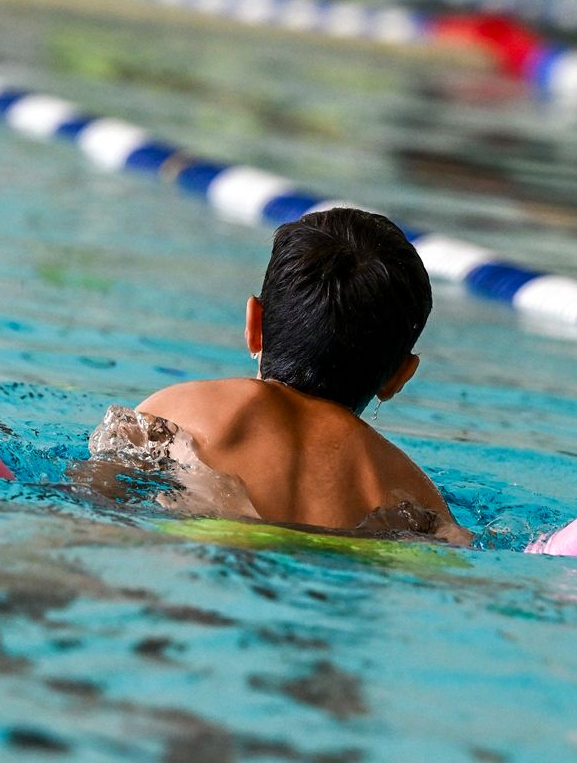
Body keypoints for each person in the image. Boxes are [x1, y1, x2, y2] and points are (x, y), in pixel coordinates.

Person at [85, 207, 466, 542]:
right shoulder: (411, 491)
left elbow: (94, 495)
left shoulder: (180, 410)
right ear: (400, 377)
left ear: (254, 324)